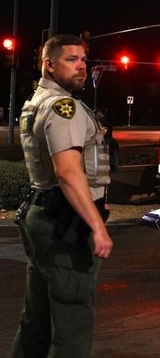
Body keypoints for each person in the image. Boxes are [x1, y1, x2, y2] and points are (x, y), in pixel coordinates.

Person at [12, 34, 113, 357]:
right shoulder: (62, 106)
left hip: (43, 213)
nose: (81, 66)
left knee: (37, 317)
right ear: (49, 64)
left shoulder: (37, 101)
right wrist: (97, 226)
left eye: (83, 59)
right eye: (72, 59)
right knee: (73, 318)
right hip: (64, 222)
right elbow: (68, 172)